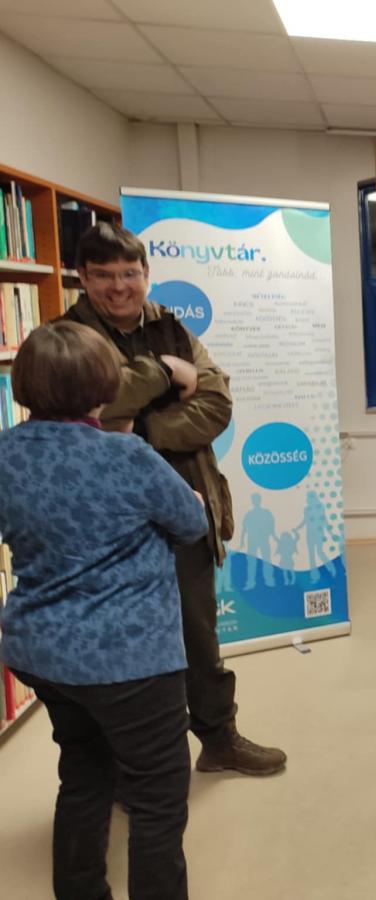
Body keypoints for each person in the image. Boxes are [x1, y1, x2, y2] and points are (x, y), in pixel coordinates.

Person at [63, 222, 286, 776]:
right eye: (104, 275)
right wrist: (164, 372)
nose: (119, 286)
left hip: (184, 508)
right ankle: (127, 765)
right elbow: (89, 409)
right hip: (108, 520)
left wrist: (142, 428)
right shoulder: (66, 338)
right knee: (119, 645)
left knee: (198, 634)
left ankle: (219, 738)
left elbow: (217, 404)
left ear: (146, 273)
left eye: (129, 273)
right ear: (82, 277)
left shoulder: (172, 325)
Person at [0, 322, 209, 900]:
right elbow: (191, 524)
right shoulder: (127, 456)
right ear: (103, 386)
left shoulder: (5, 453)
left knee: (84, 770)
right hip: (130, 657)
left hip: (42, 651)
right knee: (158, 797)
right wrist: (189, 499)